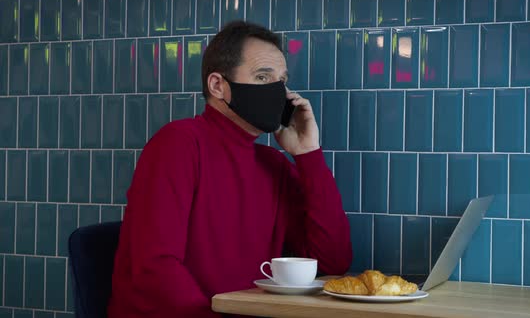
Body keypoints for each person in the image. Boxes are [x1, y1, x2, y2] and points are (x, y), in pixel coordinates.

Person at [108, 20, 352, 318]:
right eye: (263, 77)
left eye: (282, 80)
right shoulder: (178, 144)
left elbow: (332, 262)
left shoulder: (273, 164)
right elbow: (155, 269)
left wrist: (308, 154)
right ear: (217, 85)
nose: (278, 91)